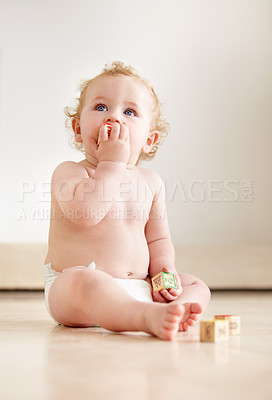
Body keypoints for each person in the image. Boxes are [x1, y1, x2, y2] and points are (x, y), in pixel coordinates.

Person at [44, 61, 210, 341]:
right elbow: (87, 214)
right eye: (100, 108)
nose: (114, 118)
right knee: (84, 280)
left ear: (149, 139)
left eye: (129, 112)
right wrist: (111, 163)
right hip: (75, 291)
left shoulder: (151, 182)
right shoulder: (71, 172)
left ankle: (173, 309)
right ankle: (145, 317)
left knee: (195, 284)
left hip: (137, 287)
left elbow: (158, 240)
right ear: (77, 128)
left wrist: (163, 275)